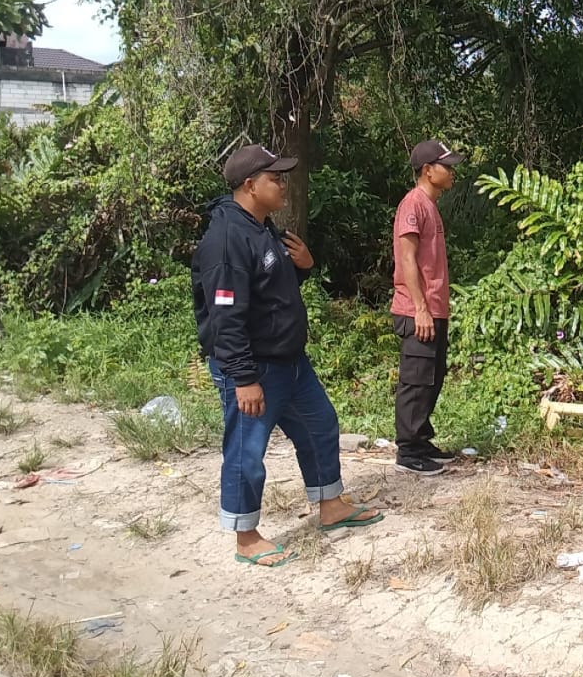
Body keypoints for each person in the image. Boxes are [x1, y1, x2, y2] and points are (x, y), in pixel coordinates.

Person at [192, 144, 384, 568]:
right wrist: (243, 377)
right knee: (246, 450)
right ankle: (246, 538)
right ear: (249, 185)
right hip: (254, 367)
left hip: (291, 362)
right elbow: (226, 317)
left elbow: (271, 287)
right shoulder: (225, 241)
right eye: (275, 178)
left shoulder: (263, 229)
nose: (282, 184)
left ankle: (331, 506)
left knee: (320, 426)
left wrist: (305, 266)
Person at [389, 139, 466, 475]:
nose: (451, 172)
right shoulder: (413, 204)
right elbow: (406, 258)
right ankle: (408, 452)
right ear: (426, 170)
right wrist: (420, 308)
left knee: (432, 377)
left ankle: (420, 440)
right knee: (416, 380)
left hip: (435, 308)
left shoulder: (430, 205)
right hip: (415, 309)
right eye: (445, 166)